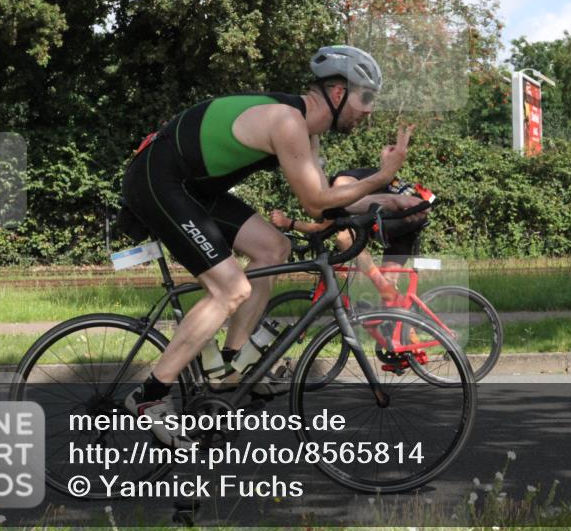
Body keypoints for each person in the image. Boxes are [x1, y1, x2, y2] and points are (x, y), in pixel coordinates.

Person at [120, 46, 424, 447]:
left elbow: (329, 201)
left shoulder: (307, 133)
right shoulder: (287, 122)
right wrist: (382, 175)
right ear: (337, 93)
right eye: (365, 97)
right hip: (159, 181)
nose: (369, 109)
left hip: (194, 189)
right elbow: (317, 203)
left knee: (274, 248)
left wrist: (391, 202)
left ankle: (230, 368)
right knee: (231, 288)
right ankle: (150, 396)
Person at [270, 169, 433, 301]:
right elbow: (322, 227)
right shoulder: (339, 189)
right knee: (390, 290)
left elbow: (324, 227)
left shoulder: (340, 183)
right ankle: (405, 330)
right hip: (410, 215)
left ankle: (381, 286)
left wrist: (287, 223)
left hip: (404, 209)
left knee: (344, 238)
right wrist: (290, 224)